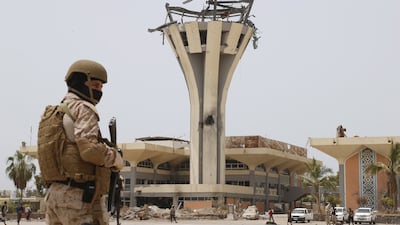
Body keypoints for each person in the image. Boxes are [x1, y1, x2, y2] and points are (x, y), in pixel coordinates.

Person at [43, 59, 124, 225]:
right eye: (95, 85)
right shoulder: (83, 108)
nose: (99, 91)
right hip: (78, 197)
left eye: (101, 87)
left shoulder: (54, 112)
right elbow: (89, 150)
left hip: (54, 196)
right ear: (81, 83)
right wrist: (115, 158)